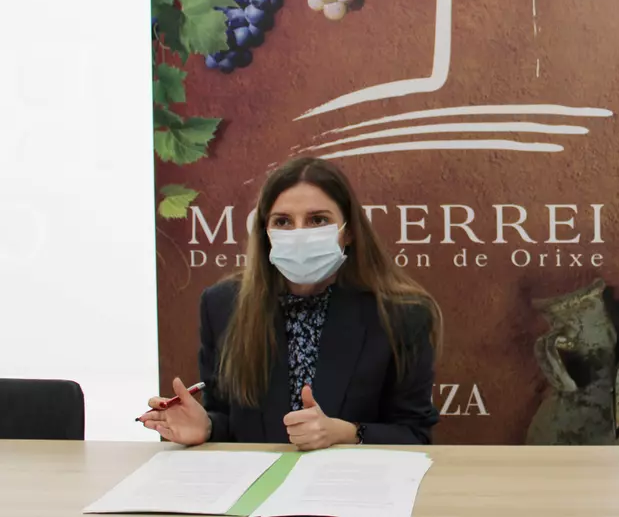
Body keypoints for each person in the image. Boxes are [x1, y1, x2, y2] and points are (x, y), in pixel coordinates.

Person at [138, 157, 442, 448]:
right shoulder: (222, 306)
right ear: (265, 233)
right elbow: (229, 421)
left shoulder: (402, 314)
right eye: (283, 221)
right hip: (256, 481)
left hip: (350, 480)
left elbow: (415, 435)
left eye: (318, 220)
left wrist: (347, 433)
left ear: (348, 231)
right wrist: (206, 427)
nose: (299, 234)